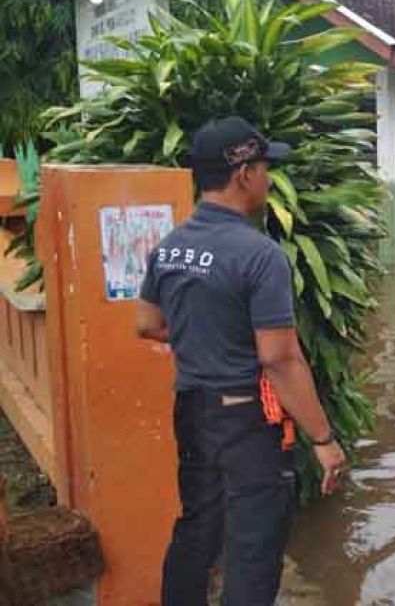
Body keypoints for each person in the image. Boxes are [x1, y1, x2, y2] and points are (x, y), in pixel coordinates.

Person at [135, 116, 347, 605]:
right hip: (246, 424)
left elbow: (145, 324)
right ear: (243, 173)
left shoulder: (170, 247)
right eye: (266, 167)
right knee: (252, 549)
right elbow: (280, 359)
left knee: (196, 531)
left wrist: (205, 339)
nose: (269, 178)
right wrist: (324, 440)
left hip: (192, 411)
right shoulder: (259, 254)